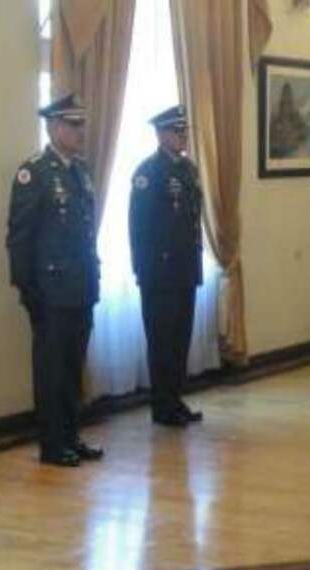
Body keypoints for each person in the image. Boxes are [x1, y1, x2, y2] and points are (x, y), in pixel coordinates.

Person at [6, 94, 103, 467]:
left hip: (80, 287)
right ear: (53, 127)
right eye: (73, 125)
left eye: (82, 125)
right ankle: (51, 443)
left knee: (73, 366)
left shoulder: (80, 172)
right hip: (50, 291)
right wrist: (29, 290)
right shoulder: (34, 173)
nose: (81, 132)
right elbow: (19, 237)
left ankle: (70, 435)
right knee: (51, 369)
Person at [129, 105, 204, 427]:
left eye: (184, 130)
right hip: (159, 273)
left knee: (180, 339)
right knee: (162, 340)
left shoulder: (188, 169)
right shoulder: (148, 172)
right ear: (160, 134)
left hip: (185, 268)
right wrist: (143, 270)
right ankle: (162, 406)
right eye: (176, 131)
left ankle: (175, 398)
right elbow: (138, 228)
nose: (182, 136)